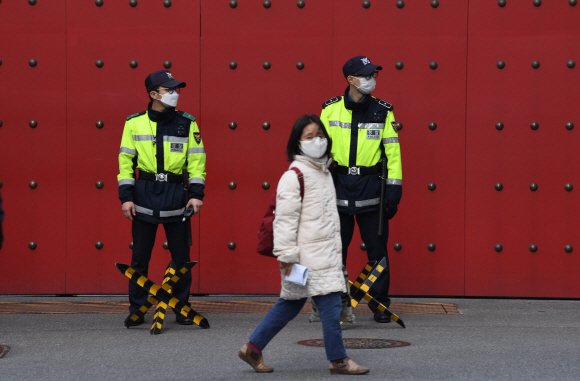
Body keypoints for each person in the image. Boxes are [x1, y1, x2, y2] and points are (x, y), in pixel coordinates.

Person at [238, 115, 369, 375]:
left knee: (290, 303)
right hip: (304, 259)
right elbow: (284, 220)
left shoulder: (323, 173)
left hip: (319, 256)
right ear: (297, 143)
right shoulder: (294, 176)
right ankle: (339, 360)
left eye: (320, 135)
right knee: (331, 306)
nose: (317, 140)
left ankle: (252, 349)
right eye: (309, 136)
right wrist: (286, 256)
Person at [117, 70, 206, 327]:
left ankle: (181, 308)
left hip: (177, 195)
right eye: (170, 90)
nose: (176, 94)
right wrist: (126, 198)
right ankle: (137, 308)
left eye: (176, 89)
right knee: (140, 259)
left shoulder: (188, 123)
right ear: (154, 94)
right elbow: (125, 163)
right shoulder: (134, 123)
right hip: (144, 193)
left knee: (181, 258)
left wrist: (196, 196)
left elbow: (197, 162)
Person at [318, 56, 402, 324]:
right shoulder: (329, 110)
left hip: (371, 190)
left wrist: (393, 192)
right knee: (335, 251)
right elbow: (320, 151)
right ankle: (336, 303)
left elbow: (393, 154)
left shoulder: (383, 110)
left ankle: (379, 304)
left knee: (377, 251)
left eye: (373, 75)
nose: (371, 80)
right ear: (350, 79)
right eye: (366, 75)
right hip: (338, 188)